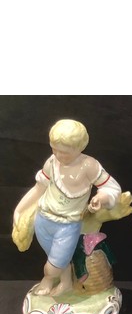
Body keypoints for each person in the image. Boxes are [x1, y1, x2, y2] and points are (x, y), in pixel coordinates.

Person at [12, 119, 121, 296]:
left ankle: (48, 278)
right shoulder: (52, 162)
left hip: (67, 226)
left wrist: (101, 198)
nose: (58, 155)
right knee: (57, 258)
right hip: (43, 220)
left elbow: (112, 187)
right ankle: (66, 283)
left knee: (53, 266)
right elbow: (38, 188)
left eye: (64, 152)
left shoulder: (89, 166)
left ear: (80, 147)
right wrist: (19, 209)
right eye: (54, 149)